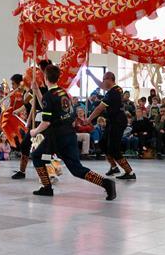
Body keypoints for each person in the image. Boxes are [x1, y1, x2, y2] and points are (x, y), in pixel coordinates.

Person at [29, 64, 117, 200]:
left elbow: (46, 122)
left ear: (45, 78)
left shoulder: (49, 96)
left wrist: (34, 131)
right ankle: (106, 183)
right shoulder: (63, 92)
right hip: (69, 134)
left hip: (56, 137)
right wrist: (37, 91)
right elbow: (49, 107)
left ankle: (47, 188)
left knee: (36, 156)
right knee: (76, 169)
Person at [87, 72, 135, 180]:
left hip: (118, 122)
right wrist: (91, 75)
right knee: (103, 144)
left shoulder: (113, 93)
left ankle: (130, 172)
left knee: (114, 149)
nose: (103, 82)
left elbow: (99, 108)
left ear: (110, 79)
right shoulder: (115, 89)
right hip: (112, 121)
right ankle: (114, 167)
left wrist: (89, 119)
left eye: (104, 79)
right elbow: (101, 85)